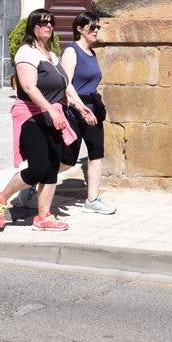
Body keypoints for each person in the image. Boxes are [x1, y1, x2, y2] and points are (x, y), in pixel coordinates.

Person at [0, 9, 95, 232]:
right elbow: (28, 86)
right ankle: (1, 198)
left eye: (51, 23)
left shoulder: (51, 55)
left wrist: (79, 105)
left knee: (51, 168)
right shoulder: (26, 53)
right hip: (32, 116)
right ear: (33, 27)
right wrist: (51, 110)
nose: (48, 26)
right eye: (42, 22)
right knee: (37, 168)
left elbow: (65, 86)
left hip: (52, 115)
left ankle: (43, 216)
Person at [58, 11, 115, 215]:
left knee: (96, 154)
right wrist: (81, 108)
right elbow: (66, 85)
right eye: (92, 27)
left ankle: (92, 199)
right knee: (67, 160)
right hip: (75, 111)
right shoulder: (71, 52)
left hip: (93, 110)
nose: (96, 30)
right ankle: (34, 181)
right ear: (80, 29)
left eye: (98, 27)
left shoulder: (92, 53)